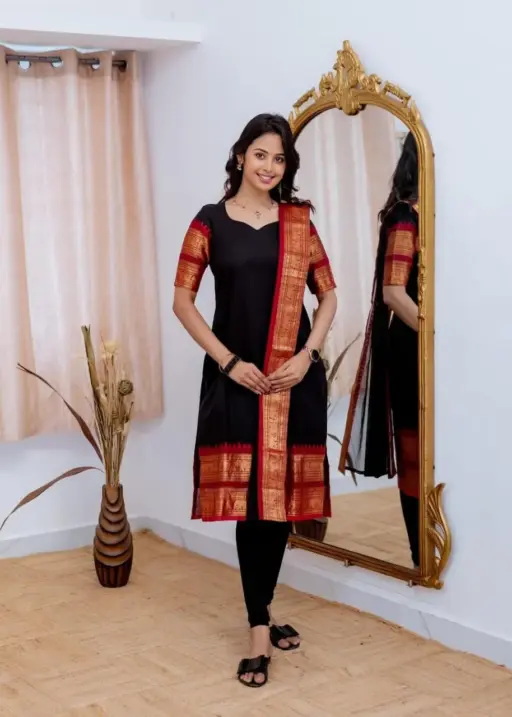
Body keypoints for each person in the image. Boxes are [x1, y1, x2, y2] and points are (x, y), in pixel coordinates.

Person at [173, 113, 337, 687]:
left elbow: (329, 296)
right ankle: (258, 629)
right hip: (238, 379)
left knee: (281, 504)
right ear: (241, 155)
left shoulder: (299, 223)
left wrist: (308, 356)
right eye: (261, 154)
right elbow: (183, 302)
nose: (270, 167)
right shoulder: (209, 221)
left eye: (280, 158)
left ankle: (262, 612)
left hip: (293, 381)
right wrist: (229, 362)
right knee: (251, 505)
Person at [339, 132, 420, 569]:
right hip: (413, 348)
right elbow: (393, 292)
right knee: (415, 454)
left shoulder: (438, 215)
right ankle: (421, 555)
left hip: (441, 351)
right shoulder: (406, 217)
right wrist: (436, 335)